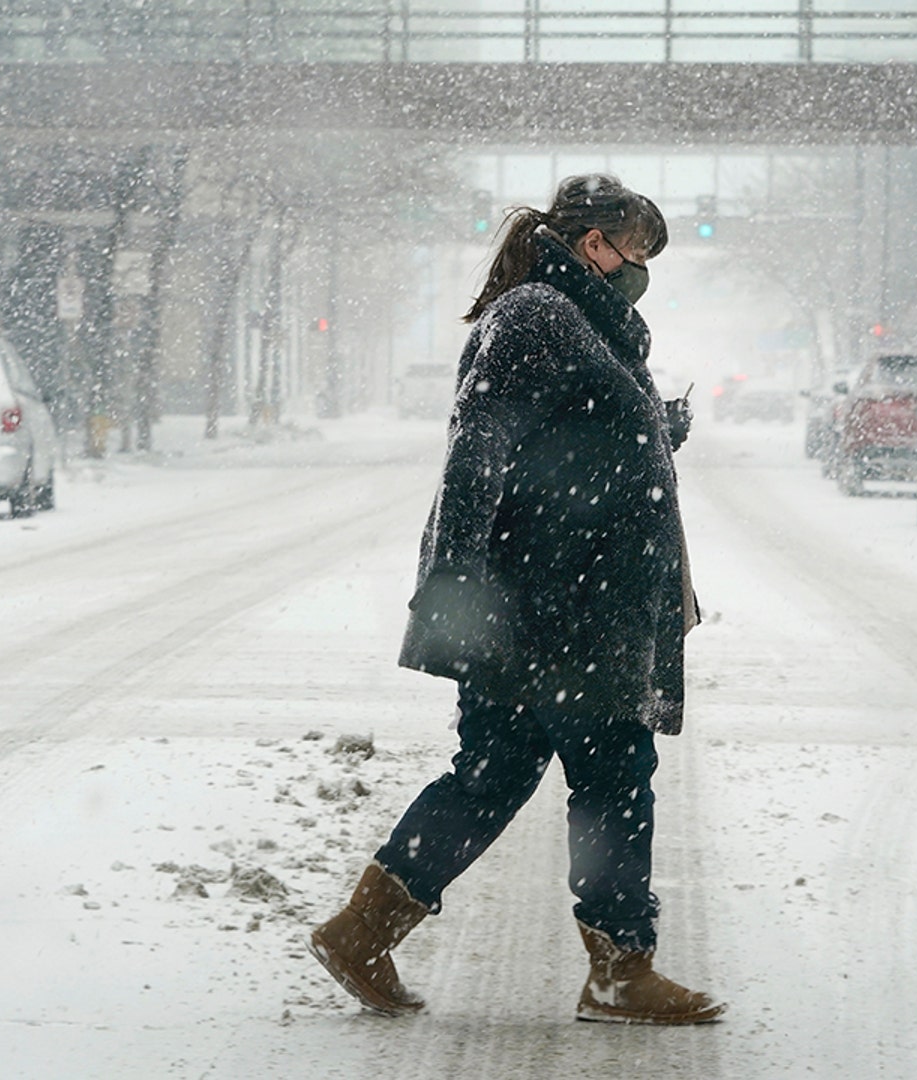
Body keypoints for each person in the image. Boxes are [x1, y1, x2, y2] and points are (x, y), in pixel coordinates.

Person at [309, 174, 721, 1025]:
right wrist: (457, 573)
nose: (640, 268)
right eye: (634, 249)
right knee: (615, 778)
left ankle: (363, 929)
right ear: (589, 242)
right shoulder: (538, 316)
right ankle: (619, 969)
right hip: (563, 604)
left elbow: (562, 436)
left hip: (556, 601)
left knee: (493, 775)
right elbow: (479, 444)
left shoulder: (577, 322)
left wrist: (648, 433)